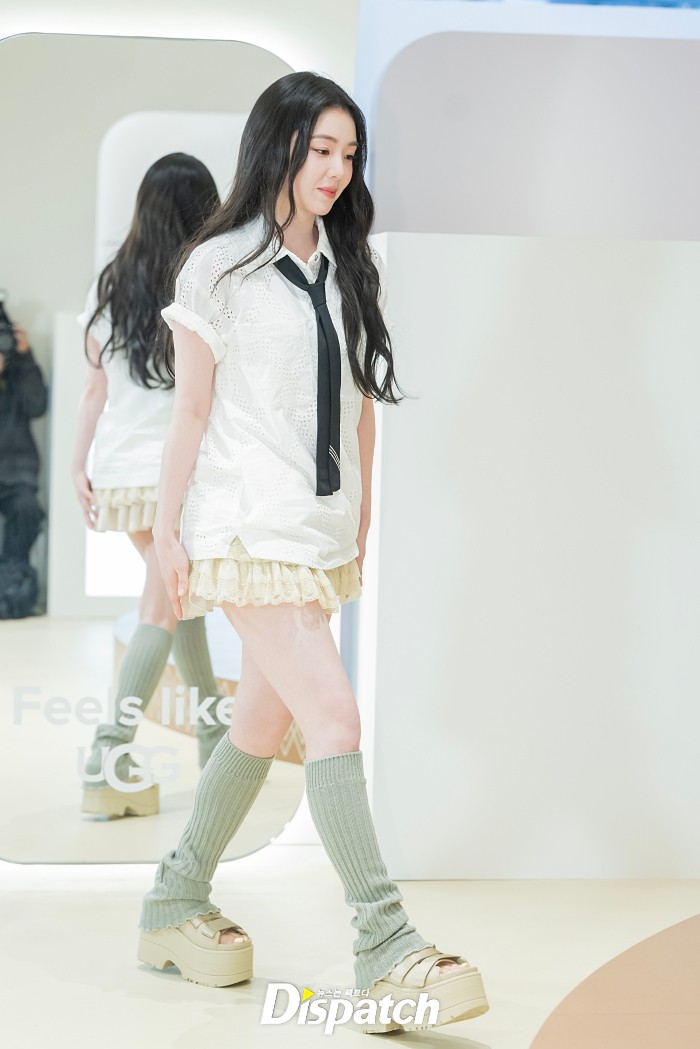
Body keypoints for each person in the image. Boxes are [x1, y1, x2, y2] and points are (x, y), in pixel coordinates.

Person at [136, 74, 489, 1032]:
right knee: (332, 716)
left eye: (349, 154)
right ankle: (386, 944)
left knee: (260, 725)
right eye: (321, 149)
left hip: (318, 532)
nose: (336, 170)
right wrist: (166, 531)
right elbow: (191, 412)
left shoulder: (346, 265)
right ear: (279, 146)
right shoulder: (218, 267)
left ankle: (174, 899)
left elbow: (359, 405)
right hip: (247, 525)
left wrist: (358, 525)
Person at [73, 153, 228, 820]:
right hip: (175, 473)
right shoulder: (204, 282)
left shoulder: (110, 284)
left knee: (179, 599)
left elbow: (94, 389)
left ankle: (215, 741)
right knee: (163, 607)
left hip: (119, 470)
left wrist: (78, 466)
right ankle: (107, 755)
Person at [0, 320, 47, 570]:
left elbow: (37, 406)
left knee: (27, 509)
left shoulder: (19, 372)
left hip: (17, 477)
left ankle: (12, 573)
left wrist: (24, 356)